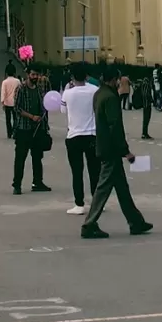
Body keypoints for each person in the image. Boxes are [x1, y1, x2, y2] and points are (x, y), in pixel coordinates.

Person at [80, 77, 152, 239]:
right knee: (103, 188)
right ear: (113, 80)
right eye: (118, 79)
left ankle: (136, 221)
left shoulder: (99, 94)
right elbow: (115, 126)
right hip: (110, 149)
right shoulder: (111, 98)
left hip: (103, 144)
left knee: (122, 188)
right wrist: (125, 151)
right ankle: (89, 224)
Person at [61, 65, 98, 215]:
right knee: (94, 171)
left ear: (72, 77)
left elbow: (63, 110)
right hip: (92, 134)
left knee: (77, 172)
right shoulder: (94, 91)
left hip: (74, 135)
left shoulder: (68, 94)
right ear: (87, 76)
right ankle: (97, 201)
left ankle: (79, 204)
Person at [11, 72, 52, 193]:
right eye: (33, 75)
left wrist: (42, 118)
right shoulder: (21, 88)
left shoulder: (39, 89)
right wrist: (31, 116)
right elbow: (17, 108)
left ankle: (37, 182)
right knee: (20, 158)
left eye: (37, 75)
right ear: (28, 74)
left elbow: (43, 106)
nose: (35, 77)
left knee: (37, 157)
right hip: (23, 129)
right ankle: (17, 185)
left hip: (38, 128)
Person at [0, 66, 21, 138]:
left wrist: (2, 102)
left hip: (7, 103)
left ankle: (9, 133)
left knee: (8, 119)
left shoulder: (4, 82)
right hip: (16, 102)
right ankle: (15, 132)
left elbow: (3, 93)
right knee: (16, 118)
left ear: (7, 73)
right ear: (14, 73)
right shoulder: (18, 81)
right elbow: (20, 91)